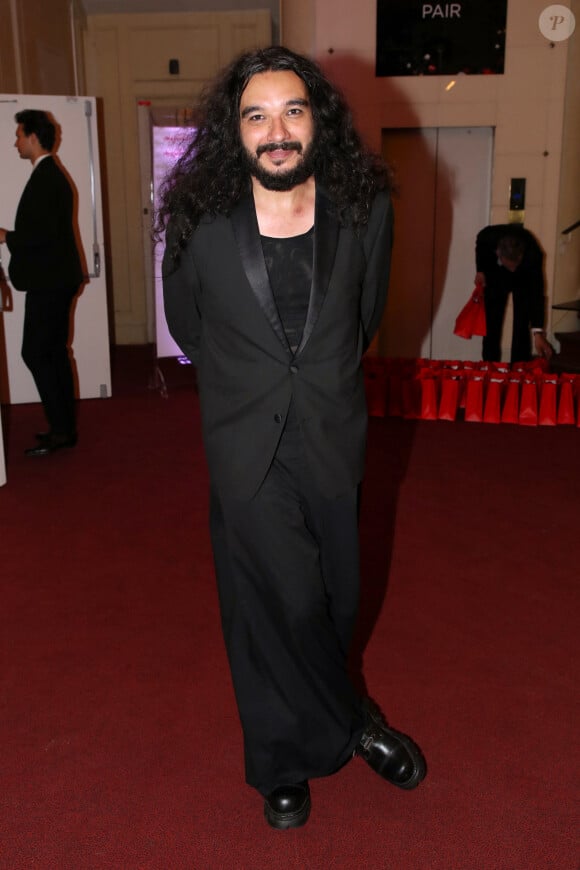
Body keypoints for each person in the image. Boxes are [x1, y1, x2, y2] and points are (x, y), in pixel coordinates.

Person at [159, 46, 426, 830]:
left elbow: (365, 316)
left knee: (335, 599)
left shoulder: (364, 204)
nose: (276, 131)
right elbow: (188, 324)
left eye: (292, 111)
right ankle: (312, 748)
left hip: (332, 432)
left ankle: (330, 722)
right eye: (256, 115)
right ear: (233, 129)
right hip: (245, 442)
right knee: (282, 601)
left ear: (318, 121)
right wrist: (252, 383)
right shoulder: (199, 214)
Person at [0, 109, 83, 456]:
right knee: (53, 353)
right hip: (55, 279)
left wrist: (7, 236)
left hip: (50, 282)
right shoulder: (49, 174)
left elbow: (42, 235)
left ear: (34, 137)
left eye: (19, 134)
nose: (15, 141)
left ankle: (62, 428)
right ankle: (63, 426)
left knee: (37, 353)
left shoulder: (48, 176)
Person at [475, 223, 553, 363]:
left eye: (514, 265)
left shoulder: (533, 255)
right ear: (498, 252)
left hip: (523, 277)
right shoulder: (488, 237)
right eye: (509, 265)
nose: (512, 270)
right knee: (491, 322)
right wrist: (480, 270)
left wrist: (538, 332)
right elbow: (480, 244)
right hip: (496, 273)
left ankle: (519, 368)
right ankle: (490, 366)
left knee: (522, 322)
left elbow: (536, 294)